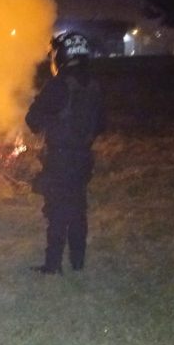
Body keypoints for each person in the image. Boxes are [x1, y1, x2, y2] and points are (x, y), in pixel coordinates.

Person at [25, 31, 106, 274]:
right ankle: (78, 262)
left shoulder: (58, 85)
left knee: (58, 210)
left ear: (61, 55)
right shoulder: (93, 85)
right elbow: (101, 124)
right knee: (78, 208)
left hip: (60, 158)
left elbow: (33, 120)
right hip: (83, 158)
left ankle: (53, 266)